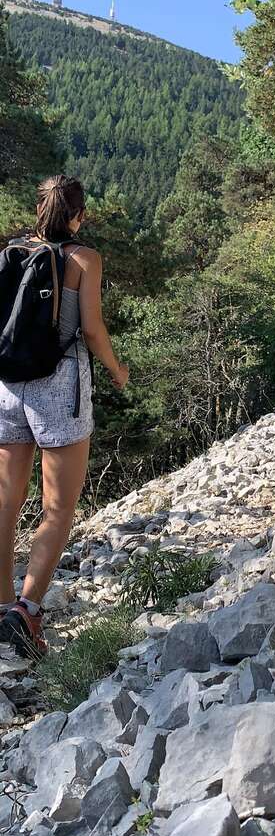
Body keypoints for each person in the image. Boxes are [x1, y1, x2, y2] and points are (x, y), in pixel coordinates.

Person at [0, 175, 129, 657]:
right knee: (58, 507)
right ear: (80, 214)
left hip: (8, 386)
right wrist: (117, 371)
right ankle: (25, 614)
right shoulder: (82, 258)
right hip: (59, 388)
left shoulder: (12, 250)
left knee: (5, 500)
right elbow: (91, 330)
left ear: (39, 210)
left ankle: (2, 604)